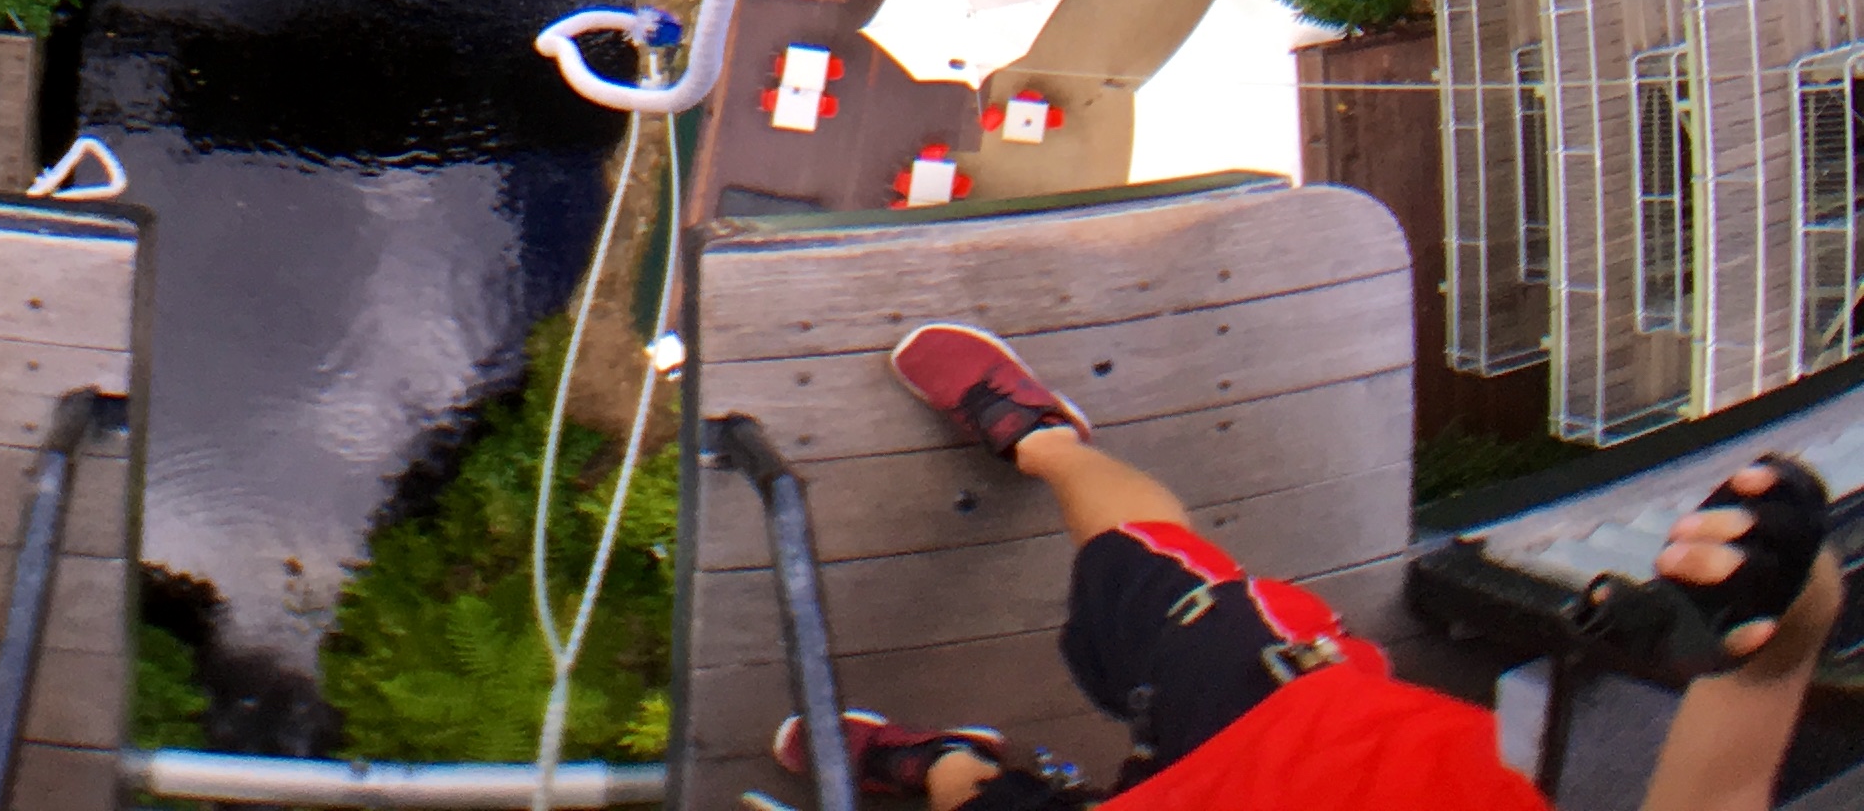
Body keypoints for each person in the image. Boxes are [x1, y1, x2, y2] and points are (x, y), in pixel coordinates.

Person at [772, 323, 1841, 807]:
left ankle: (948, 765)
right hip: (1296, 737)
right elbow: (1724, 771)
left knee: (978, 798)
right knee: (1140, 565)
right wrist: (1776, 601)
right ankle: (1044, 439)